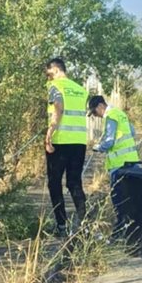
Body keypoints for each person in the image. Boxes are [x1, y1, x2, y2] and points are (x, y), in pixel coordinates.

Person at [44, 58, 89, 236]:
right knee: (74, 183)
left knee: (54, 183)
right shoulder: (80, 90)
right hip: (79, 142)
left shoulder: (55, 86)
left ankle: (61, 225)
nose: (48, 79)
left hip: (60, 141)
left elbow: (59, 108)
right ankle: (83, 224)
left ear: (55, 70)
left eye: (48, 75)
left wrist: (49, 133)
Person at [87, 95, 140, 235]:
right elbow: (132, 132)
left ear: (100, 106)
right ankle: (133, 229)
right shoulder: (120, 114)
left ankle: (121, 230)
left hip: (119, 164)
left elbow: (109, 141)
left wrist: (98, 147)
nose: (96, 116)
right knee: (132, 197)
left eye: (94, 112)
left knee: (119, 200)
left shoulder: (110, 117)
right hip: (132, 161)